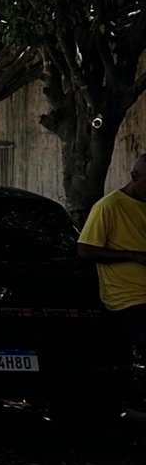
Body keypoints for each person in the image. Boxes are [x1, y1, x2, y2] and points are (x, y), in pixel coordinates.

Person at [77, 155, 146, 380]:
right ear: (135, 176)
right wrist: (132, 255)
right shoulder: (109, 206)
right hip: (128, 298)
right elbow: (85, 250)